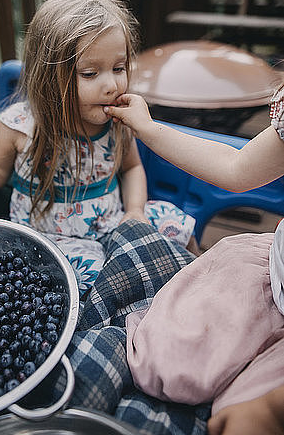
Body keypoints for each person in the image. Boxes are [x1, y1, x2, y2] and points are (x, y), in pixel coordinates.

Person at [0, 0, 196, 297]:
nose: (111, 85)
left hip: (114, 222)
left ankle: (200, 287)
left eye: (119, 68)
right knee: (91, 278)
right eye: (90, 73)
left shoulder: (120, 120)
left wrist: (135, 210)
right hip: (53, 240)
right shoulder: (19, 126)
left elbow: (132, 167)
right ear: (49, 78)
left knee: (175, 222)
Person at [104, 87, 284, 434]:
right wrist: (148, 127)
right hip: (268, 275)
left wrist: (272, 409)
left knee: (237, 416)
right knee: (161, 365)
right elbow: (237, 167)